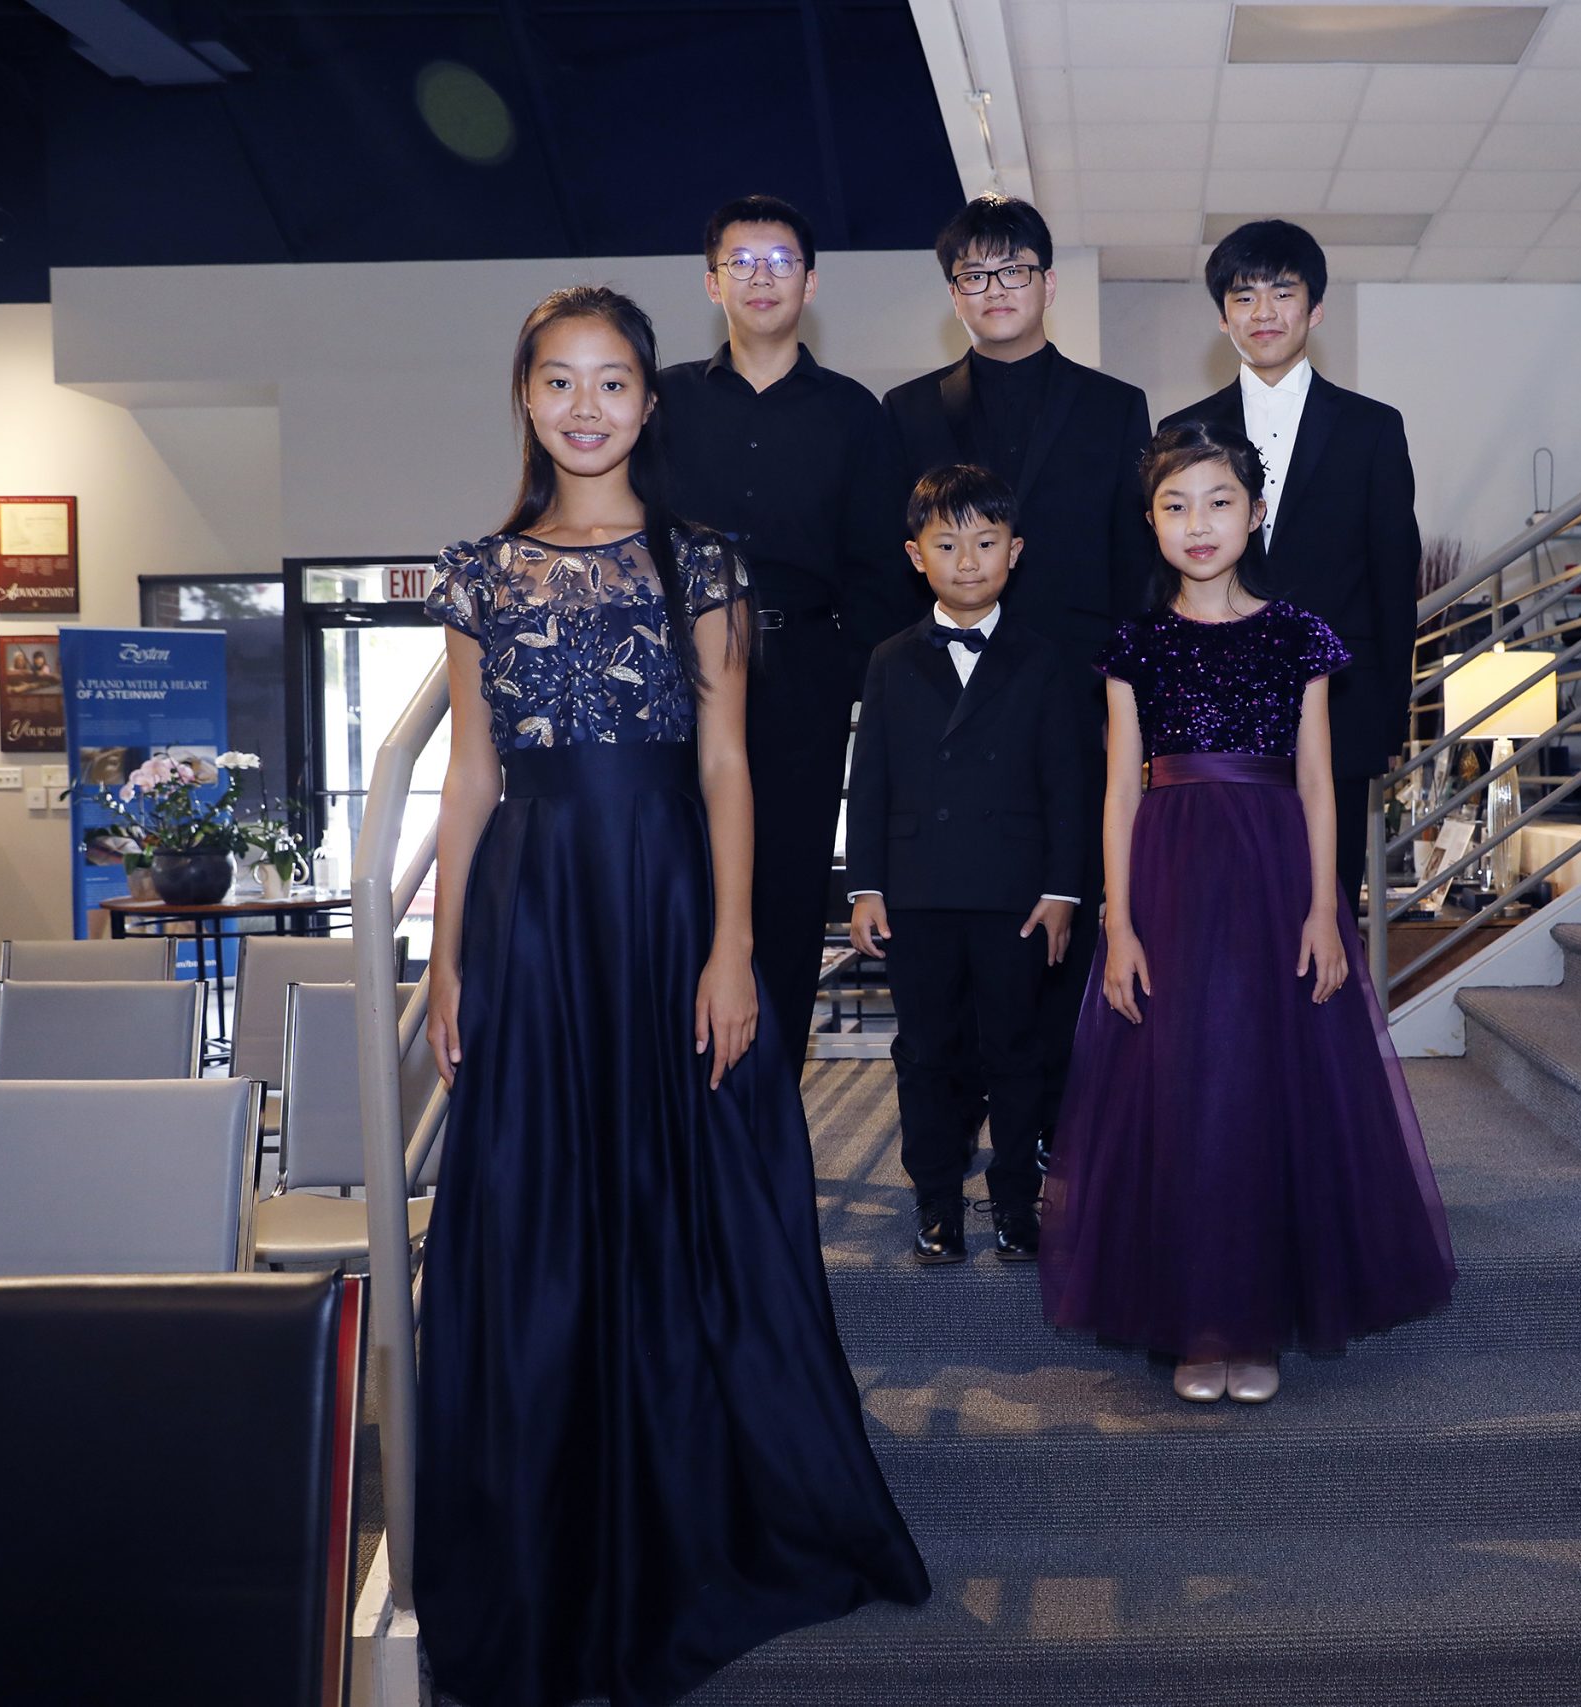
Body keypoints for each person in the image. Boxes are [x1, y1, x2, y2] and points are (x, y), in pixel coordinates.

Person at [416, 284, 928, 1707]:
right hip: (531, 914)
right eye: (559, 380)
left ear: (651, 402)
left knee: (681, 1190)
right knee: (538, 1200)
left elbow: (725, 767)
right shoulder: (478, 572)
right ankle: (549, 1516)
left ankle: (687, 1504)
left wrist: (732, 947)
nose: (585, 406)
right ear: (526, 397)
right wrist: (446, 958)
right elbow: (468, 778)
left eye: (612, 382)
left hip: (662, 906)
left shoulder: (701, 561)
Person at [1039, 419, 1456, 1407]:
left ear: (1256, 513)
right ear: (1150, 522)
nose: (1198, 523)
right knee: (1185, 1089)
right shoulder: (1136, 644)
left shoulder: (1297, 634)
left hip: (1274, 878)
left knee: (1265, 1087)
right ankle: (1198, 1321)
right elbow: (1119, 792)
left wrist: (1324, 909)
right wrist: (1118, 925)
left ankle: (1255, 1319)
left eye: (1218, 502)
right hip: (1170, 880)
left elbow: (1317, 783)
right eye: (1175, 505)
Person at [883, 193, 1158, 1161]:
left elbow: (1134, 564)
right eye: (973, 274)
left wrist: (1131, 698)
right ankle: (956, 1126)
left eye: (1012, 270)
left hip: (1073, 692)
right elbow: (894, 565)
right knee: (957, 912)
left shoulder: (1114, 406)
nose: (994, 288)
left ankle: (1051, 1128)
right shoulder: (909, 411)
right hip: (950, 704)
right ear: (953, 291)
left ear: (1046, 282)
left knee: (1063, 906)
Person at [655, 193, 914, 1071]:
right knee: (681, 881)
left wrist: (845, 675)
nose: (761, 277)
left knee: (792, 888)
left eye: (780, 261)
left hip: (804, 674)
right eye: (741, 261)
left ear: (810, 281)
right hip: (679, 677)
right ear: (711, 281)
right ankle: (683, 1094)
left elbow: (882, 569)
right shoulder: (664, 402)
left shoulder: (855, 413)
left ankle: (771, 1098)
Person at [846, 464, 1093, 1265]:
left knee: (1016, 1049)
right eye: (947, 544)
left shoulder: (1044, 658)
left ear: (1015, 551)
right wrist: (866, 886)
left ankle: (1016, 1199)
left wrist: (1063, 890)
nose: (967, 561)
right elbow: (870, 780)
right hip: (916, 891)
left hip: (1015, 892)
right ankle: (937, 1200)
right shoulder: (889, 658)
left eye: (985, 543)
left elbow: (1067, 784)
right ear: (916, 555)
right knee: (926, 1052)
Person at [1162, 219, 1422, 906]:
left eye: (1283, 292)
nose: (1265, 312)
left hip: (1340, 703)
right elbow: (1165, 576)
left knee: (1324, 903)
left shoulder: (1373, 428)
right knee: (1222, 901)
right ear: (1222, 318)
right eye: (1244, 296)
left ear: (1316, 308)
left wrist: (1389, 714)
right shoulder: (1182, 432)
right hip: (1214, 699)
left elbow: (1394, 576)